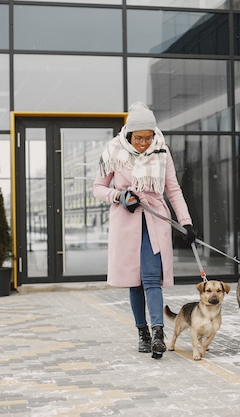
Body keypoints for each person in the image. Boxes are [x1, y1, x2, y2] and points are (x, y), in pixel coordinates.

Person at [93, 101, 196, 359]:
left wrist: (186, 222)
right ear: (128, 133)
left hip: (155, 219)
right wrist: (120, 195)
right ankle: (143, 333)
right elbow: (97, 188)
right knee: (133, 280)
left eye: (148, 138)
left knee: (151, 276)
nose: (143, 143)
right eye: (138, 138)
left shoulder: (162, 151)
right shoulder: (114, 151)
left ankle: (158, 334)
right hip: (126, 222)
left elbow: (173, 189)